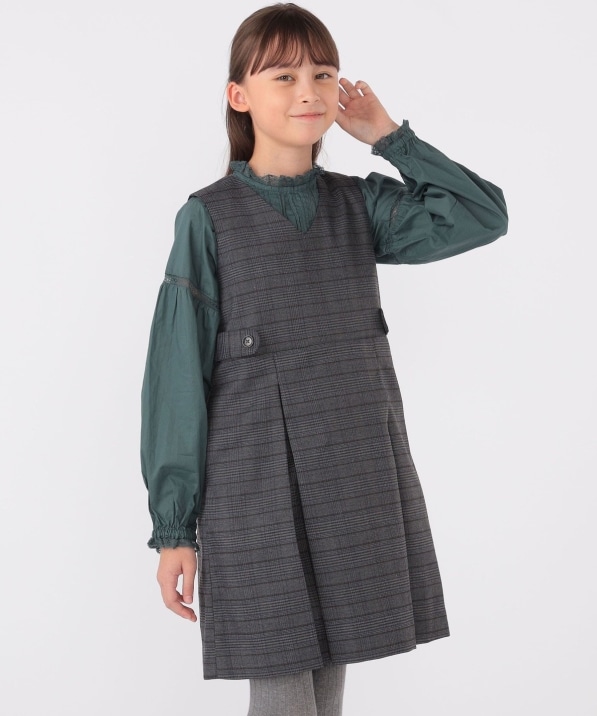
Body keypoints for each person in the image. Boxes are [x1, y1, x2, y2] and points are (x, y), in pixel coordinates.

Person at [140, 3, 508, 715]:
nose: (308, 91)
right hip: (255, 489)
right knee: (283, 689)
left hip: (354, 476)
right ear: (239, 96)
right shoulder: (207, 217)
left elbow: (482, 216)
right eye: (283, 76)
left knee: (327, 690)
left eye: (323, 73)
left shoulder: (359, 207)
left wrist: (392, 139)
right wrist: (173, 528)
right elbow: (176, 378)